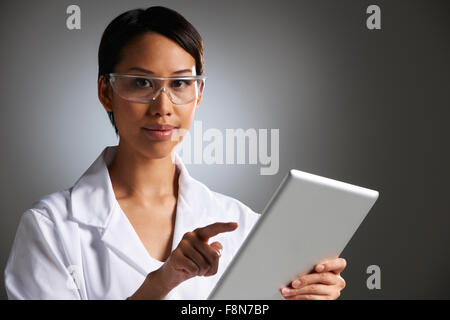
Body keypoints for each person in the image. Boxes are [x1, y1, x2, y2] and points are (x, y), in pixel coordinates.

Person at [4, 6, 346, 300]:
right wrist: (159, 285)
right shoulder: (51, 228)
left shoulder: (245, 228)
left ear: (199, 94)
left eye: (181, 83)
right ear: (106, 91)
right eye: (141, 83)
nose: (163, 107)